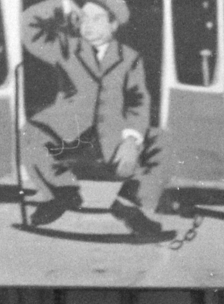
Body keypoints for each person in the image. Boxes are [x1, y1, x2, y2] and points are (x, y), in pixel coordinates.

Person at [19, 0, 166, 236]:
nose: (88, 25)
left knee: (162, 140)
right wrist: (64, 5)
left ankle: (130, 205)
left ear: (113, 24)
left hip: (111, 142)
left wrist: (131, 140)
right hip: (71, 140)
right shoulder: (66, 47)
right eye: (83, 18)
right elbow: (28, 25)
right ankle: (62, 193)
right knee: (30, 134)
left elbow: (138, 102)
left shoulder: (129, 58)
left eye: (97, 19)